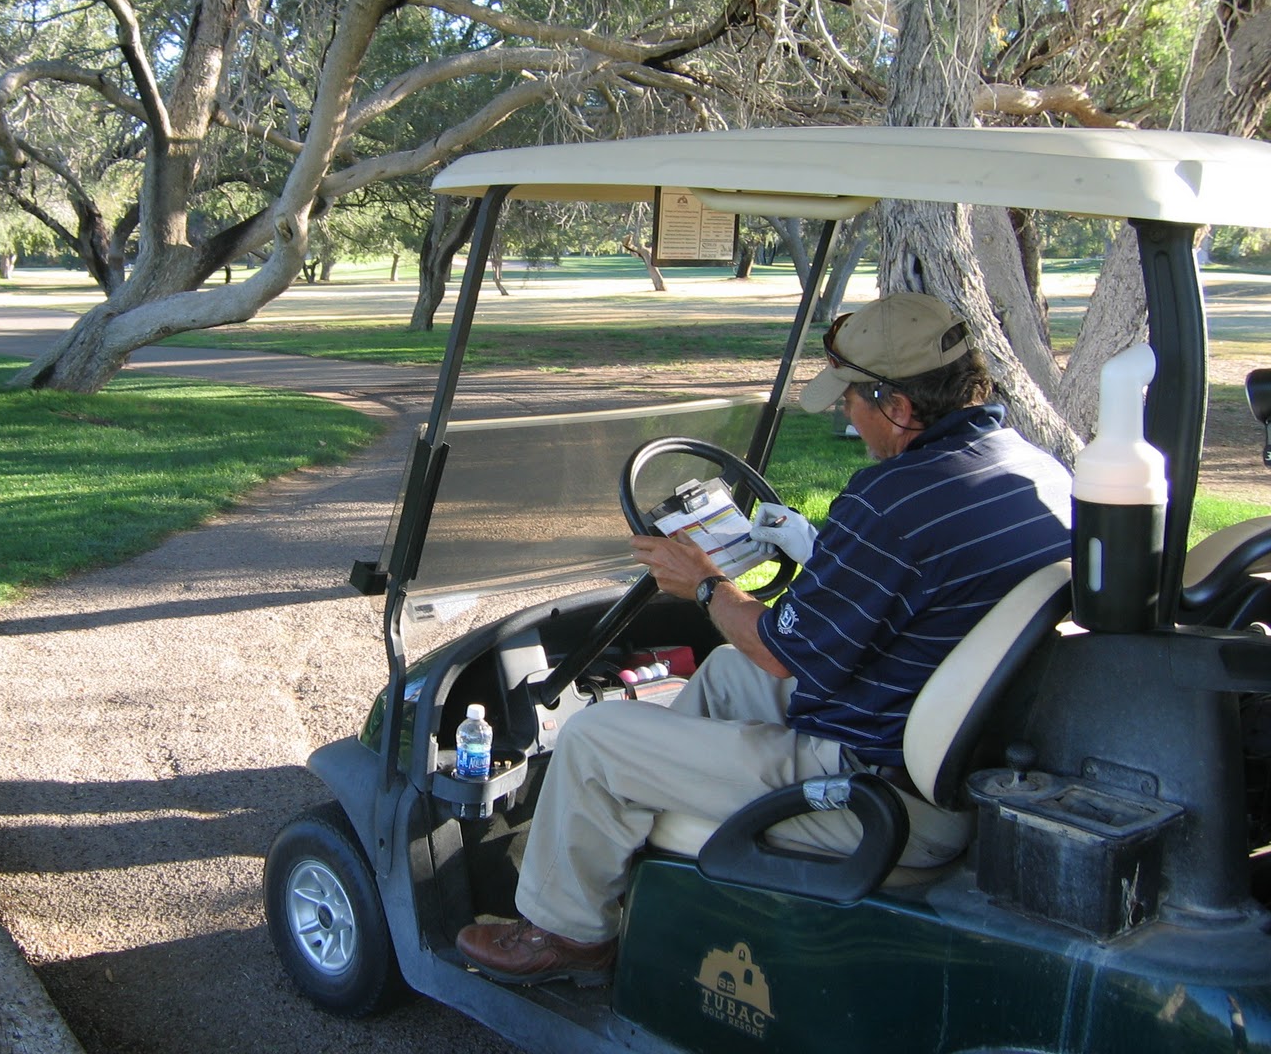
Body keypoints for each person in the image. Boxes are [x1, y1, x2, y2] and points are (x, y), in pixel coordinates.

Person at [455, 292, 1073, 986]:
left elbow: (778, 649)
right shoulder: (1034, 470)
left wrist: (705, 584)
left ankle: (566, 934)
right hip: (940, 745)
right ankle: (642, 865)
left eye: (850, 399)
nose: (845, 413)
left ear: (898, 406)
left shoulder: (895, 502)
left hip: (876, 795)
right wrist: (812, 553)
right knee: (725, 673)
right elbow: (886, 599)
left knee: (593, 741)